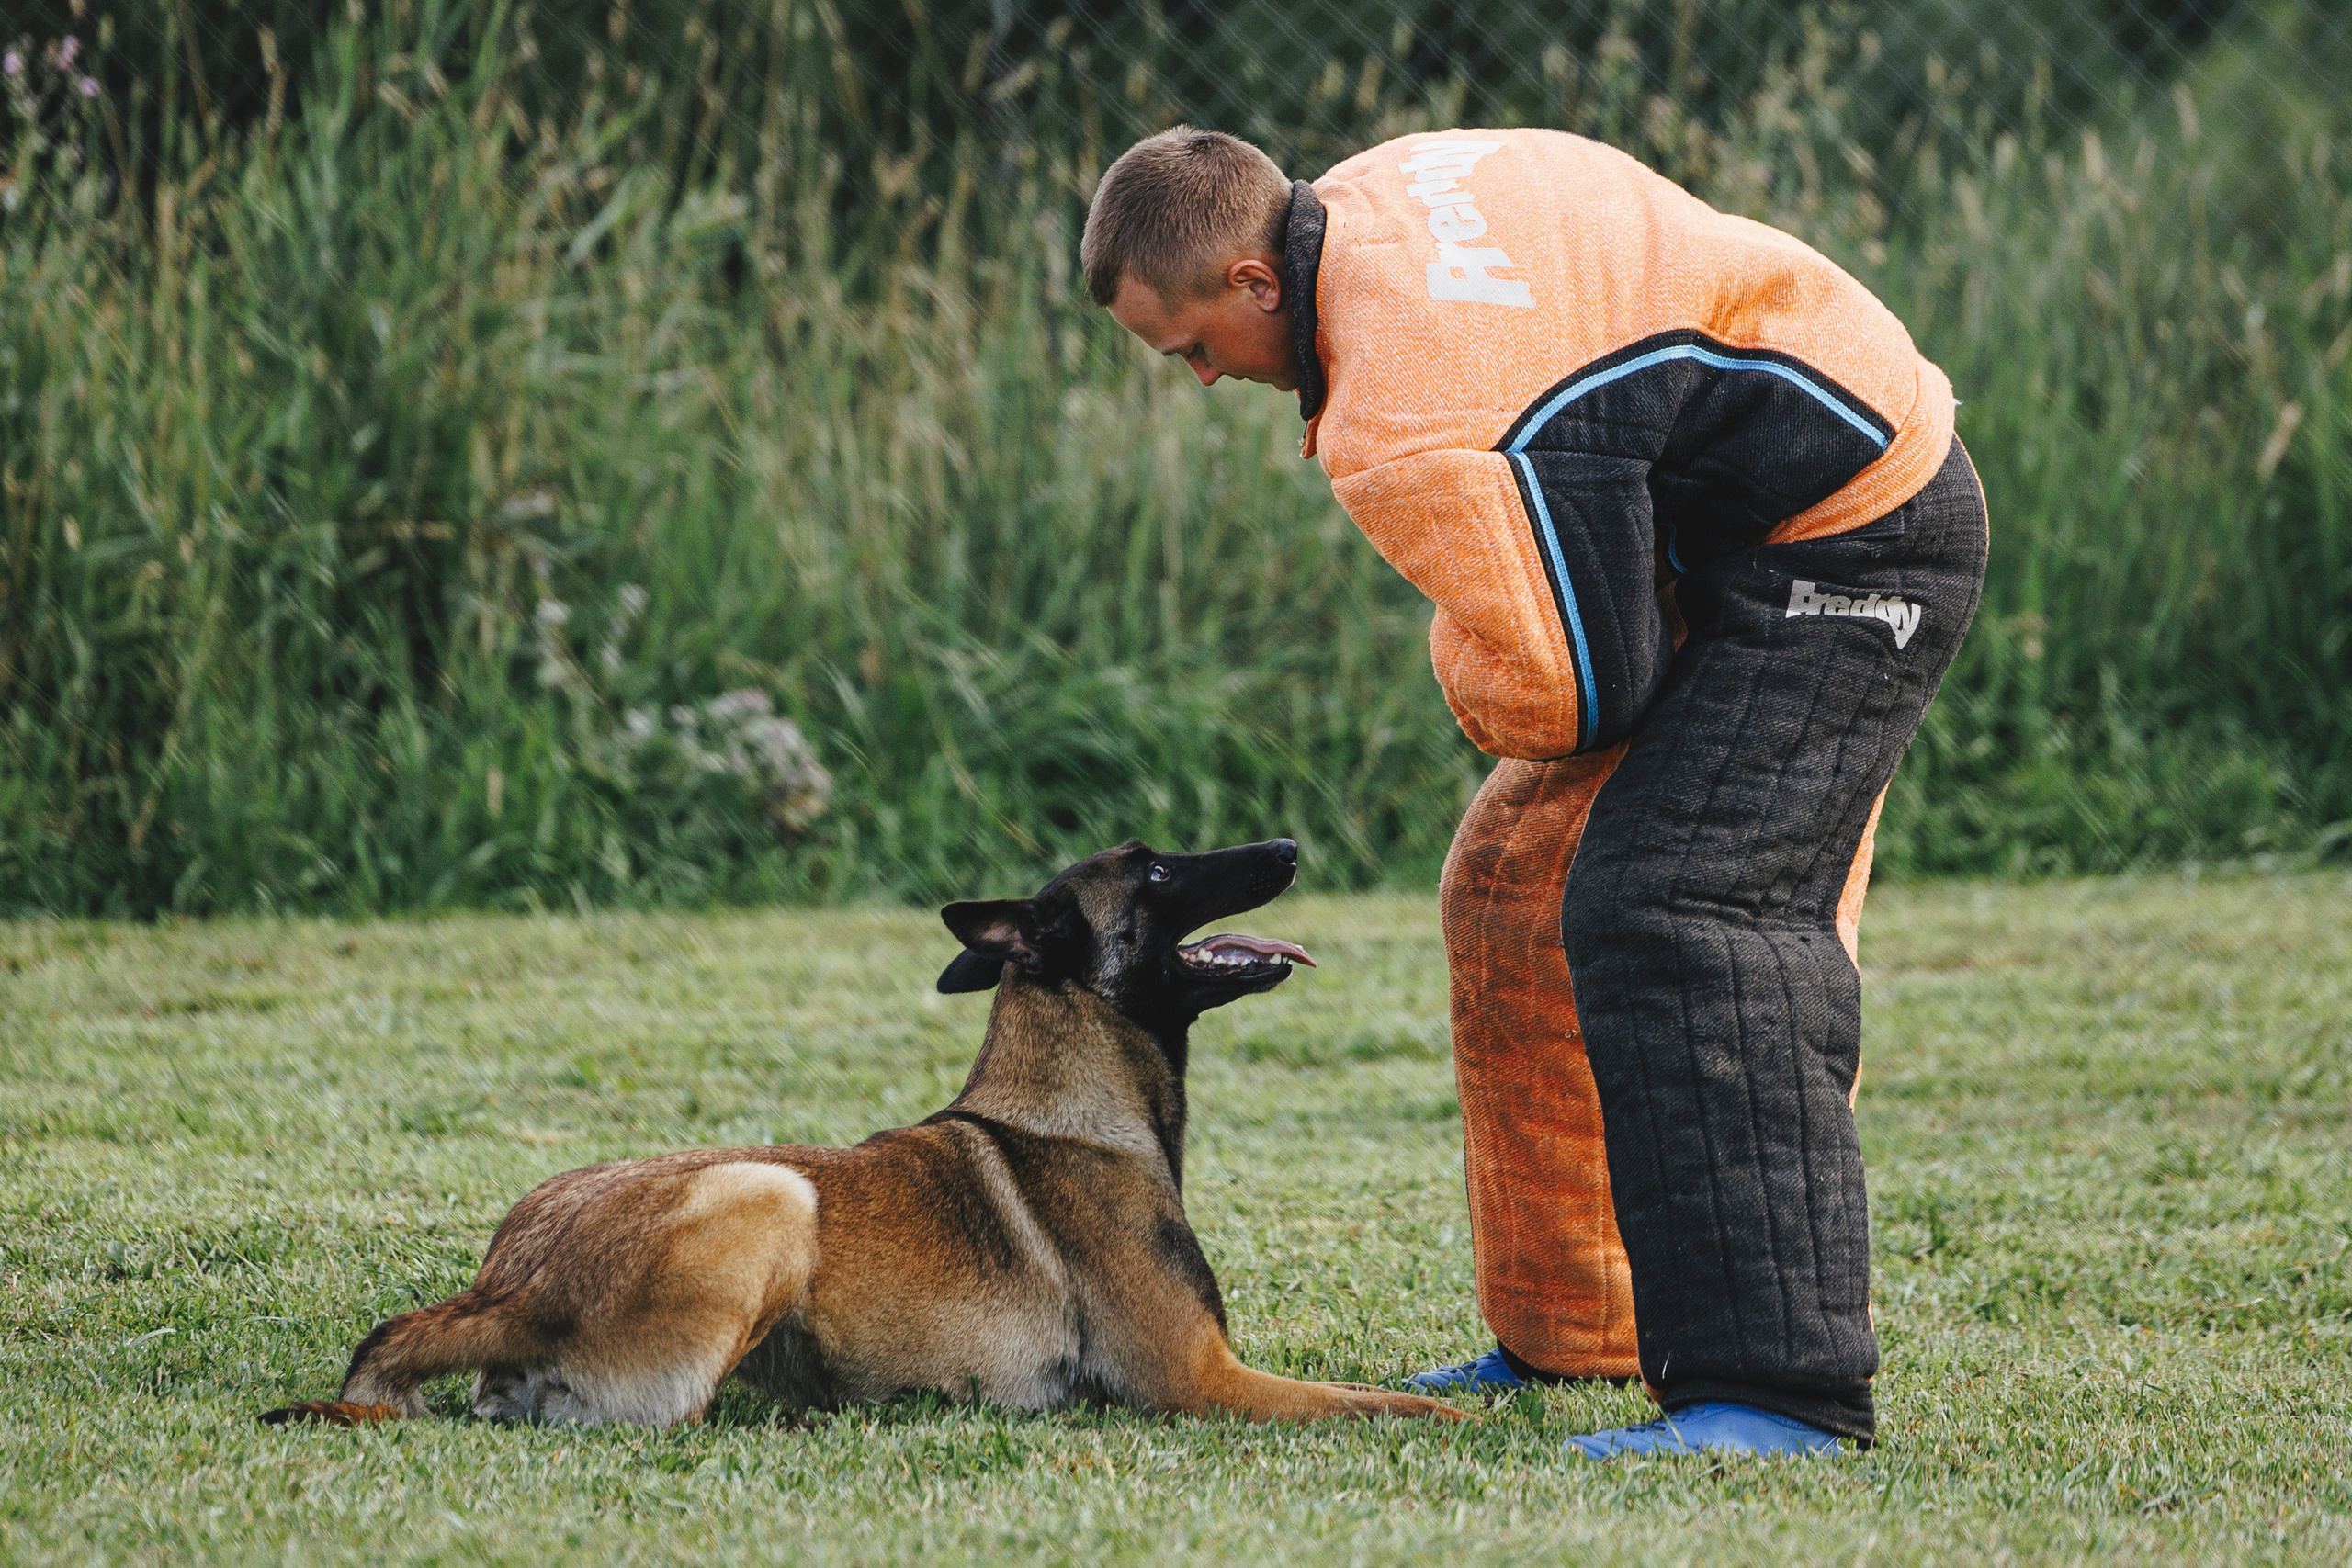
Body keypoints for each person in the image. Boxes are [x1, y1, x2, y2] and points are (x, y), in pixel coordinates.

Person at [1081, 124, 1985, 1458]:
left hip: (1856, 528)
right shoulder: (1381, 186)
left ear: (1255, 280)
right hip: (1741, 501)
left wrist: (1461, 658)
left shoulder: (1406, 413)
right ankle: (1576, 1330)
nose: (1208, 377)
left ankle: (1780, 1394)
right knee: (1514, 890)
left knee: (1682, 909)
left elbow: (1571, 691)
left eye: (1197, 346)